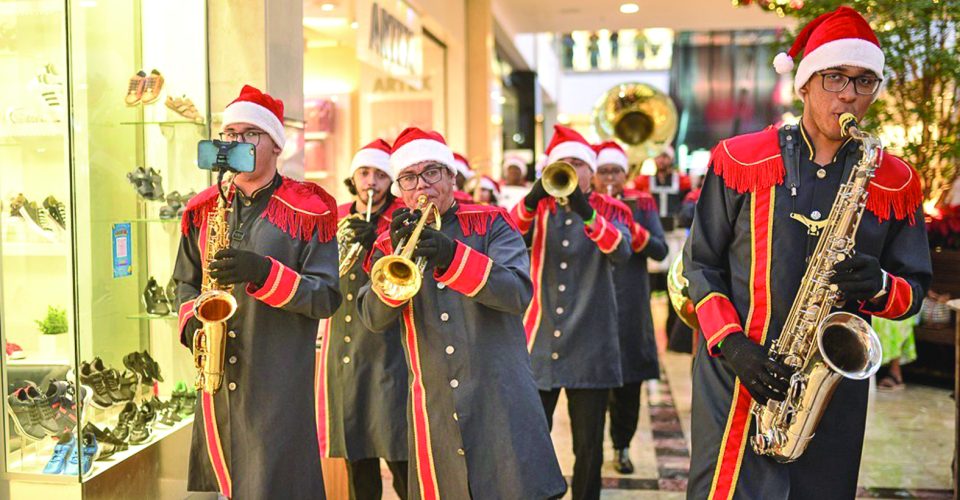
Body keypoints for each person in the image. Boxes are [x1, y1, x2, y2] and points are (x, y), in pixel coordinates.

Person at [683, 8, 932, 499]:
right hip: (735, 376)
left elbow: (913, 292)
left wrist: (880, 285)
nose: (848, 94)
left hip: (828, 391)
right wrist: (733, 344)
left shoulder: (896, 180)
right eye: (835, 77)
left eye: (864, 82)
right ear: (804, 83)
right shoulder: (738, 159)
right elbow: (700, 264)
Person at [357, 127, 566, 499]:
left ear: (452, 176)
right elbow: (373, 318)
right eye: (408, 177)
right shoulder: (389, 242)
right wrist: (398, 255)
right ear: (399, 189)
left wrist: (451, 255)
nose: (421, 186)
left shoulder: (492, 222)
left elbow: (517, 293)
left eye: (431, 172)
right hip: (434, 407)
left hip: (499, 397)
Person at [175, 85, 340, 498]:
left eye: (250, 134)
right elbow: (183, 282)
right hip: (216, 379)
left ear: (275, 145)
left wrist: (265, 273)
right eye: (230, 133)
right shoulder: (202, 208)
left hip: (277, 387)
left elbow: (325, 297)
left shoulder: (310, 210)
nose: (237, 143)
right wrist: (193, 321)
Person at [510, 125, 633, 500]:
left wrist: (585, 210)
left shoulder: (614, 209)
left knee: (588, 448)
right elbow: (509, 233)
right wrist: (531, 199)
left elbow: (622, 251)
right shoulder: (539, 211)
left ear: (591, 170)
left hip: (592, 347)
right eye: (563, 163)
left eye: (578, 163)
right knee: (531, 441)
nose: (571, 169)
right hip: (540, 343)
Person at [316, 139, 409, 499]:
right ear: (353, 177)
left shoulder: (400, 219)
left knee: (399, 452)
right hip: (344, 346)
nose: (372, 182)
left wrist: (377, 245)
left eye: (381, 175)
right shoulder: (335, 217)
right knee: (357, 457)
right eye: (365, 173)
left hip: (389, 349)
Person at [593, 141, 669, 474]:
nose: (609, 177)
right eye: (603, 171)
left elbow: (659, 249)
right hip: (593, 304)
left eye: (615, 171)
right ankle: (591, 448)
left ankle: (622, 446)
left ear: (626, 173)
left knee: (629, 385)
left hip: (629, 305)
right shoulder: (584, 205)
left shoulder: (642, 204)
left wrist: (629, 229)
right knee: (592, 385)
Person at [633, 147, 692, 350]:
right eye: (659, 156)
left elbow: (687, 203)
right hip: (654, 235)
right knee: (647, 286)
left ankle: (672, 337)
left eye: (665, 156)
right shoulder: (644, 181)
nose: (662, 160)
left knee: (674, 286)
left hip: (675, 236)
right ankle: (643, 336)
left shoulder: (682, 181)